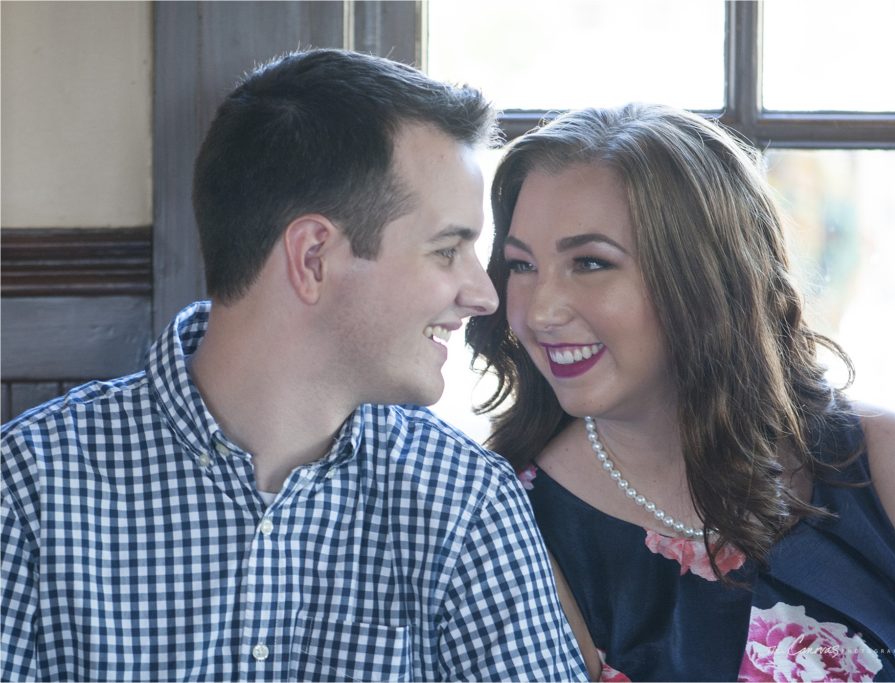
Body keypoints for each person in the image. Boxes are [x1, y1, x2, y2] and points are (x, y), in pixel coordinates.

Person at [0, 49, 587, 682]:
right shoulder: (29, 491)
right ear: (312, 258)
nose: (484, 295)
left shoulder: (467, 504)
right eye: (448, 251)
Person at [466, 103, 895, 681]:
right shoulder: (506, 516)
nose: (540, 311)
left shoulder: (894, 465)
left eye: (591, 263)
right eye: (520, 265)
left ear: (705, 276)